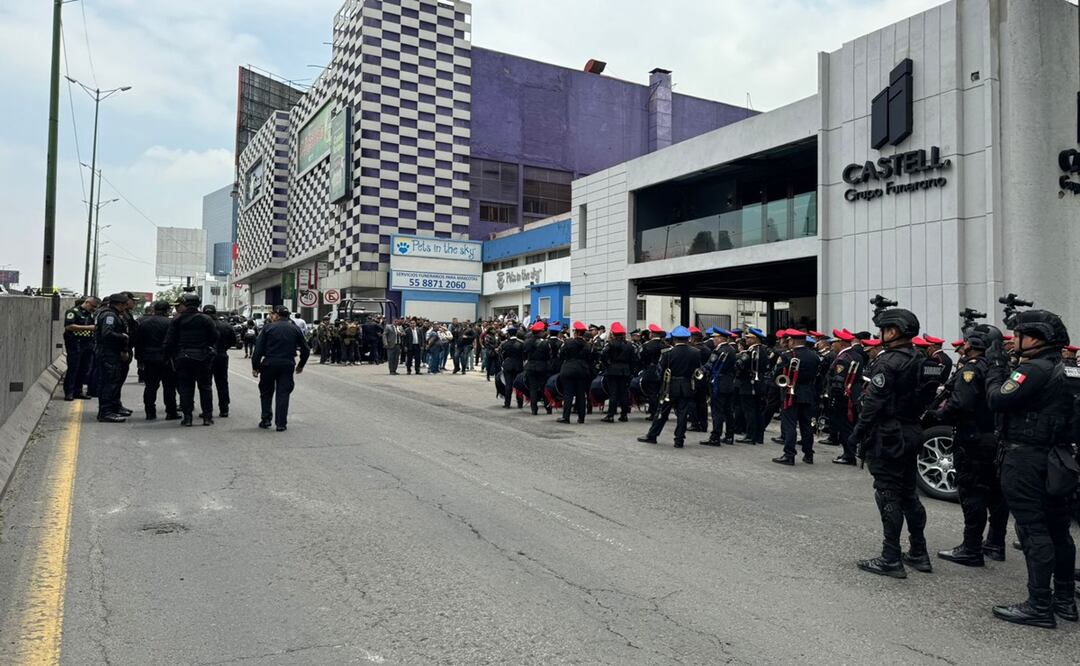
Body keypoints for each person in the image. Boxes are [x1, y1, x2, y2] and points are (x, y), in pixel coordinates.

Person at [986, 309, 1078, 628]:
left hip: (1027, 457)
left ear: (1036, 338)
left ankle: (1039, 604)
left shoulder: (1034, 370)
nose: (1015, 340)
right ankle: (1065, 599)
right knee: (1058, 530)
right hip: (1059, 458)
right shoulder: (1068, 369)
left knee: (1032, 528)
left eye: (1020, 335)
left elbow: (998, 399)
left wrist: (997, 366)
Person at [849, 305, 930, 579]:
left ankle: (890, 556)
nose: (880, 334)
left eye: (883, 329)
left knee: (887, 493)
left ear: (893, 331)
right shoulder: (922, 358)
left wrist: (857, 432)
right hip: (911, 429)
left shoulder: (888, 362)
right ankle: (919, 551)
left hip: (888, 434)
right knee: (909, 492)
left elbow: (873, 402)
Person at [932, 323, 1009, 567]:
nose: (963, 346)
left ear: (974, 345)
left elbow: (960, 404)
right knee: (997, 495)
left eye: (966, 342)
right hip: (996, 439)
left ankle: (971, 547)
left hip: (973, 440)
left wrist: (936, 416)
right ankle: (996, 544)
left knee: (972, 492)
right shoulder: (1001, 369)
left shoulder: (972, 370)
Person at [252, 306, 310, 432]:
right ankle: (281, 423)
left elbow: (258, 350)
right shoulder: (295, 329)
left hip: (269, 364)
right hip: (287, 364)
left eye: (273, 314)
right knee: (283, 393)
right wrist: (301, 365)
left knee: (266, 392)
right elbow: (306, 349)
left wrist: (255, 367)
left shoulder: (268, 328)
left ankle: (266, 419)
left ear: (277, 316)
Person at [165, 293, 218, 427]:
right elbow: (215, 337)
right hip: (202, 357)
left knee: (185, 388)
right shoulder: (206, 319)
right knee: (205, 387)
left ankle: (187, 418)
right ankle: (207, 417)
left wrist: (168, 357)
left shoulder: (177, 320)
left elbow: (169, 340)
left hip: (183, 357)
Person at [773, 331, 822, 465]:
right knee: (806, 425)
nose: (788, 343)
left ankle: (789, 454)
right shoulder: (815, 356)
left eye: (789, 341)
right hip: (808, 393)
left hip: (791, 394)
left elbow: (777, 374)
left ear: (793, 341)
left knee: (790, 425)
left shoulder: (787, 356)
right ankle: (808, 454)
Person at [829, 328, 868, 465]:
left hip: (845, 397)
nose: (832, 345)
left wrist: (834, 399)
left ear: (841, 343)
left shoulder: (842, 359)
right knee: (851, 425)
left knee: (844, 426)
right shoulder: (856, 355)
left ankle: (848, 455)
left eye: (834, 342)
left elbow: (838, 382)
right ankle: (851, 452)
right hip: (854, 393)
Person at [133, 300, 178, 420]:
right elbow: (173, 342)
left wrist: (139, 360)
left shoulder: (144, 323)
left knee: (150, 387)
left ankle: (150, 412)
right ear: (167, 310)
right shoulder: (171, 323)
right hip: (166, 359)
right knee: (169, 387)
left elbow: (138, 343)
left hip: (149, 358)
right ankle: (171, 412)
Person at [94, 293, 133, 423]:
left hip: (112, 353)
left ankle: (113, 407)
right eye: (125, 304)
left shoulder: (113, 314)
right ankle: (105, 412)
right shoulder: (109, 316)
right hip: (107, 354)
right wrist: (123, 337)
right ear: (120, 304)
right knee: (108, 383)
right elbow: (107, 333)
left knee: (114, 382)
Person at [204, 305, 237, 418]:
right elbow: (233, 341)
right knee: (222, 383)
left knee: (206, 385)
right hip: (221, 355)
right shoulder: (225, 326)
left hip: (205, 357)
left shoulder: (202, 326)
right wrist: (224, 348)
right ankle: (224, 409)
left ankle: (207, 410)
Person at [62, 296, 98, 401]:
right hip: (75, 344)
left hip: (88, 344)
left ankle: (78, 391)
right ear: (87, 302)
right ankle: (69, 392)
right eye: (93, 306)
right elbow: (69, 327)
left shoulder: (90, 314)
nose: (93, 309)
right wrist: (89, 328)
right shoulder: (73, 312)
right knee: (73, 368)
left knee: (84, 369)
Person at [557, 322, 591, 424]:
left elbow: (561, 355)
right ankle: (581, 417)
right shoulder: (588, 345)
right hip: (582, 370)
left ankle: (566, 417)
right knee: (581, 394)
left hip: (568, 369)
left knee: (568, 394)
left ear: (576, 332)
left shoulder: (568, 342)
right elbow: (590, 358)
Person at [601, 322, 635, 422]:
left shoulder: (610, 344)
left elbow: (603, 356)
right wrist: (630, 371)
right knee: (624, 393)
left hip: (612, 370)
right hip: (625, 371)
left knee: (613, 393)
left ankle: (610, 415)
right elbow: (633, 360)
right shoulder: (629, 345)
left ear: (613, 333)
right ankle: (624, 415)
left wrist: (607, 365)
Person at [523, 321, 552, 415]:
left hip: (531, 366)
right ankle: (548, 408)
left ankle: (534, 409)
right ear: (540, 332)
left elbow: (525, 353)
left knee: (533, 388)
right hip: (542, 366)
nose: (544, 333)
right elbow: (548, 355)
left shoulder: (527, 342)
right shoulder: (545, 343)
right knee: (544, 388)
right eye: (543, 331)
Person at [498, 328, 525, 409]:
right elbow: (524, 356)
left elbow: (502, 356)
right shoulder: (521, 343)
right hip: (518, 365)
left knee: (508, 385)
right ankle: (520, 403)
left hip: (508, 365)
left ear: (509, 334)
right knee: (519, 385)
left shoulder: (505, 344)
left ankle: (507, 403)